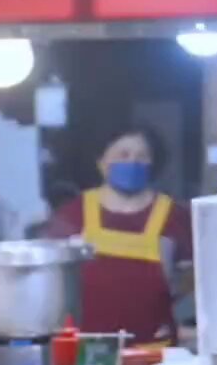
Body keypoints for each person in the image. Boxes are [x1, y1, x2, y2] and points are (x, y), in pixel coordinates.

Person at [44, 124, 191, 343]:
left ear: (152, 163)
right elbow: (51, 280)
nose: (132, 162)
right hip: (89, 349)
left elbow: (192, 279)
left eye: (142, 156)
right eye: (123, 155)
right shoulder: (73, 214)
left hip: (155, 348)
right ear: (102, 162)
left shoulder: (174, 216)